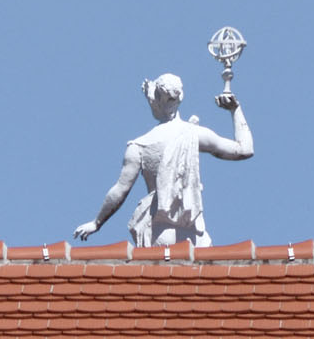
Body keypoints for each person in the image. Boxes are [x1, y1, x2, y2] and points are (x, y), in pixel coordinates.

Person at [74, 73, 255, 248]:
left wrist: (96, 222)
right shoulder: (193, 133)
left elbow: (120, 189)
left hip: (158, 234)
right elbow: (244, 149)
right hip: (194, 236)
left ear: (156, 100)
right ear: (180, 97)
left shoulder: (139, 146)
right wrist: (235, 109)